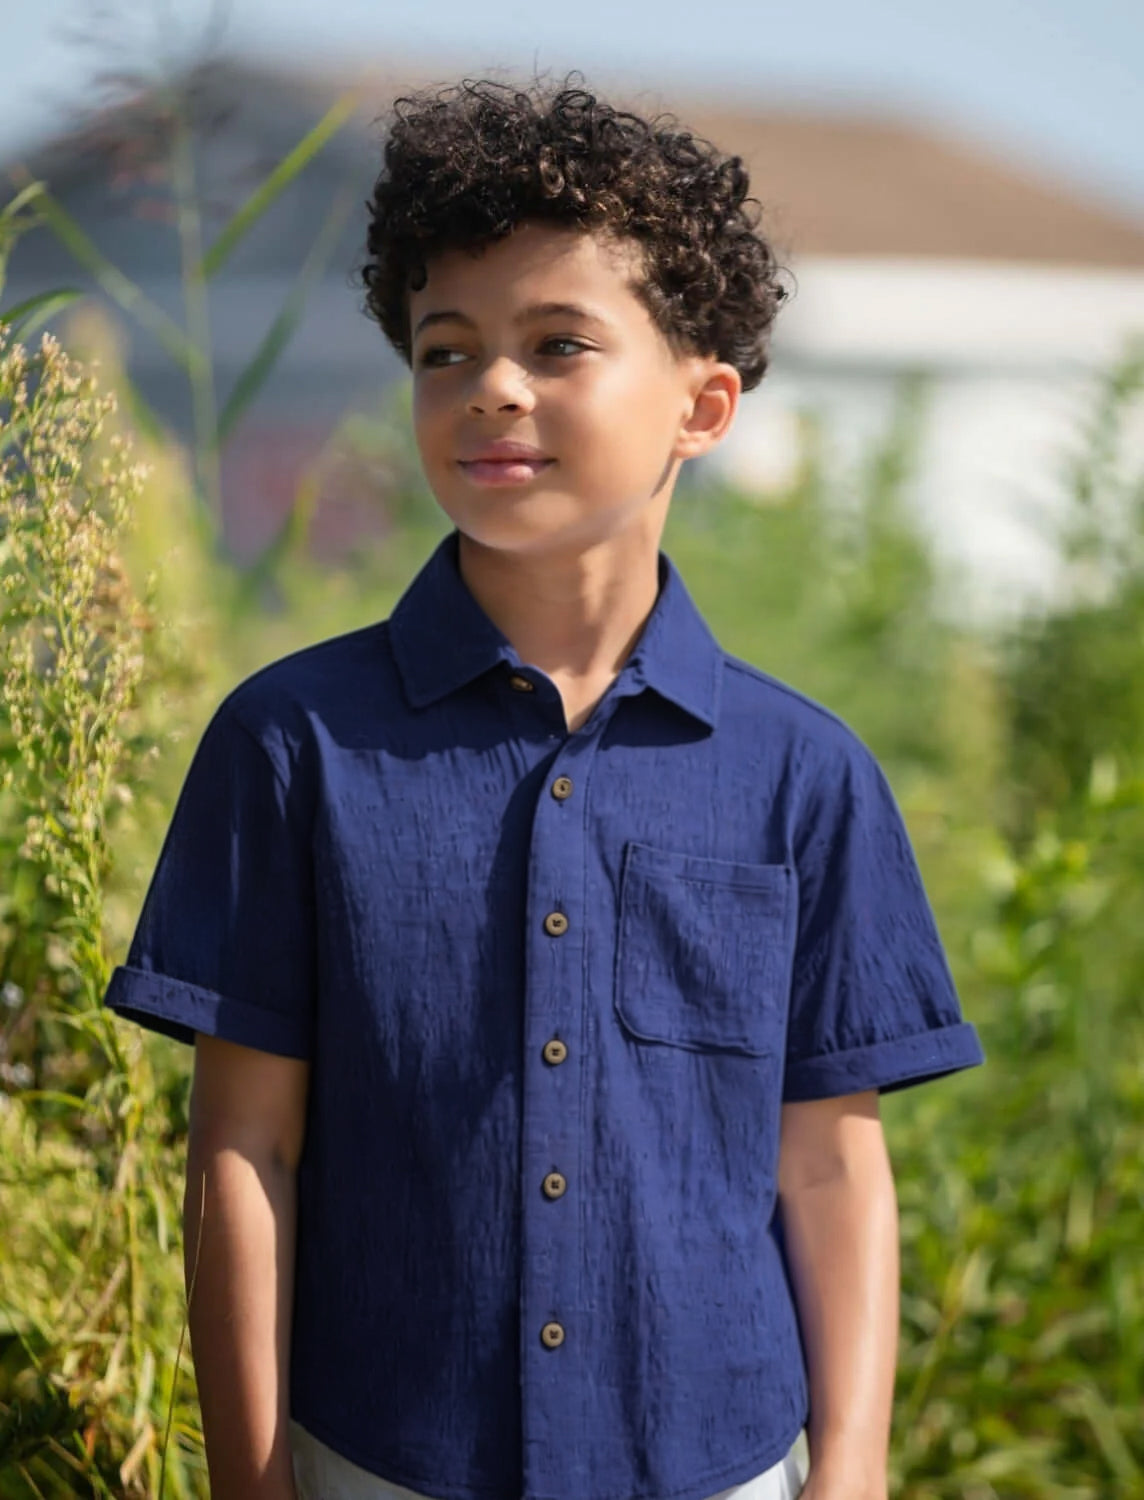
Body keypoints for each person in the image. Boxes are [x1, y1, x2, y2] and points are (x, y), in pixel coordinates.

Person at [103, 72, 985, 1500]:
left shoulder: (804, 778)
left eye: (558, 343)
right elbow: (243, 1151)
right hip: (374, 1463)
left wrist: (856, 1469)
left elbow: (830, 1168)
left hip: (719, 1468)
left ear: (705, 405)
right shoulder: (292, 744)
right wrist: (254, 1481)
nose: (491, 388)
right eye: (445, 351)